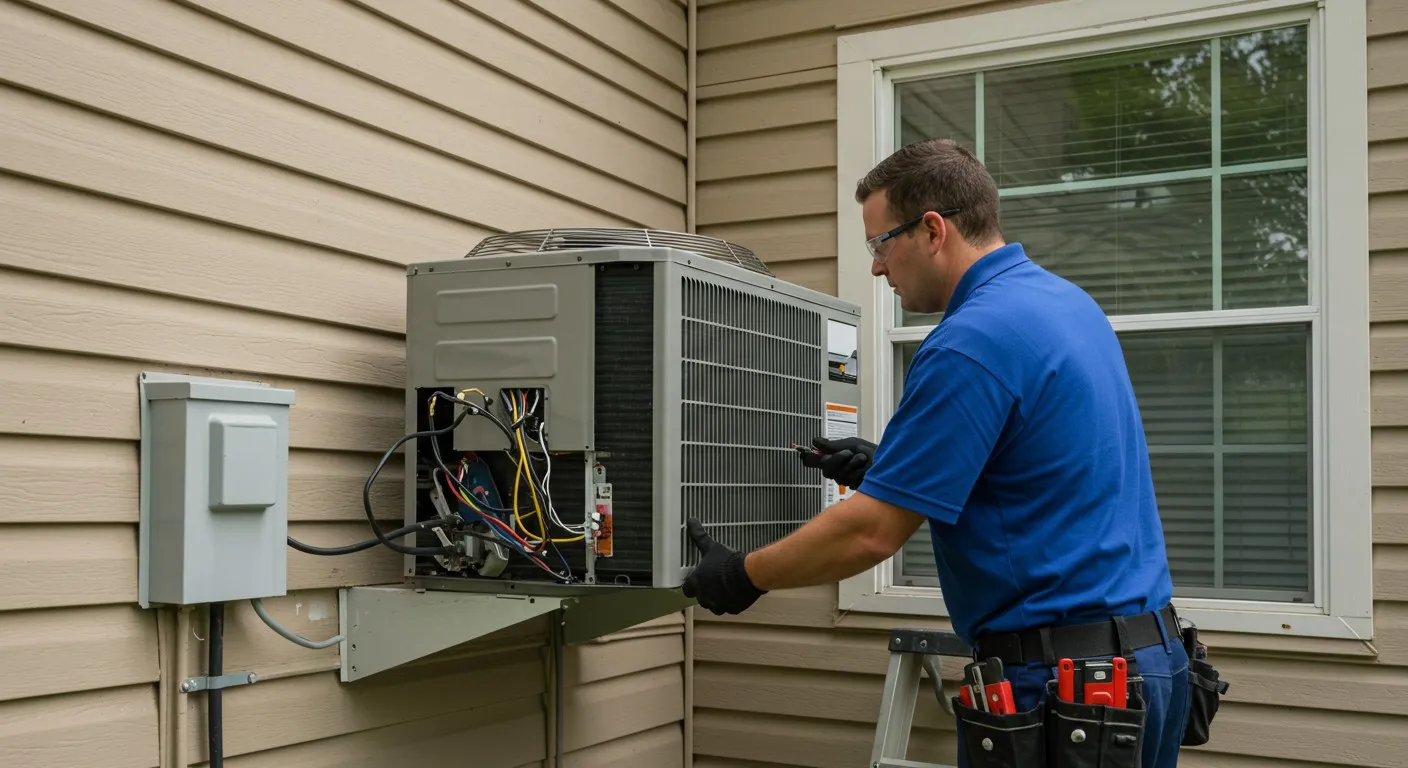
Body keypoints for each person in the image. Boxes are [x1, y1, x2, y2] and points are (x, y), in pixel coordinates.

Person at [681, 138, 1190, 768]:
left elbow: (869, 534)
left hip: (1065, 689)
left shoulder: (970, 340)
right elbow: (1039, 467)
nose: (875, 268)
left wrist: (742, 576)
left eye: (879, 244)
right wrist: (893, 468)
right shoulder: (1064, 304)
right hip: (1149, 668)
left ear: (932, 230)